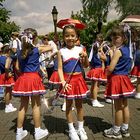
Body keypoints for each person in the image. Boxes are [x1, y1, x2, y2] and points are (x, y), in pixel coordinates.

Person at [12, 33, 52, 140]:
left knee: (22, 106)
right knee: (36, 106)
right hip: (33, 78)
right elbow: (51, 47)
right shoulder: (36, 50)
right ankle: (38, 131)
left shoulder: (20, 52)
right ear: (33, 39)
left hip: (23, 78)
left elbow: (17, 67)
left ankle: (19, 133)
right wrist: (39, 46)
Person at [57, 24, 89, 140]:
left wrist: (85, 57)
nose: (69, 38)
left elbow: (86, 66)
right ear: (63, 37)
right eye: (67, 36)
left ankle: (80, 128)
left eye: (72, 35)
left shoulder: (80, 49)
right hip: (68, 82)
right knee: (69, 106)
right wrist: (63, 82)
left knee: (80, 106)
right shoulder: (61, 51)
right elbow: (60, 68)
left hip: (79, 80)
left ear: (76, 37)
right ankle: (71, 129)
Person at [104, 26, 135, 139]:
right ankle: (125, 129)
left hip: (117, 79)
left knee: (118, 107)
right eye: (112, 38)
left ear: (123, 38)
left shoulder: (118, 51)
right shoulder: (127, 50)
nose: (113, 40)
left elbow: (111, 68)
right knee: (125, 105)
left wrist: (106, 69)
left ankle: (116, 130)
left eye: (116, 37)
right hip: (125, 78)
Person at [87, 33, 107, 107]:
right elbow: (102, 58)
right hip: (98, 68)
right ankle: (95, 100)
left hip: (94, 68)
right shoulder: (99, 48)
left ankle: (93, 98)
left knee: (93, 85)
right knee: (96, 85)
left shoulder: (94, 47)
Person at [0, 44, 17, 113]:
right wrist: (7, 74)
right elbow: (7, 67)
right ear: (8, 51)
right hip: (7, 75)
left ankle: (9, 104)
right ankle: (7, 106)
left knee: (8, 91)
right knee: (8, 91)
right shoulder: (8, 58)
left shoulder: (1, 57)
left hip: (2, 74)